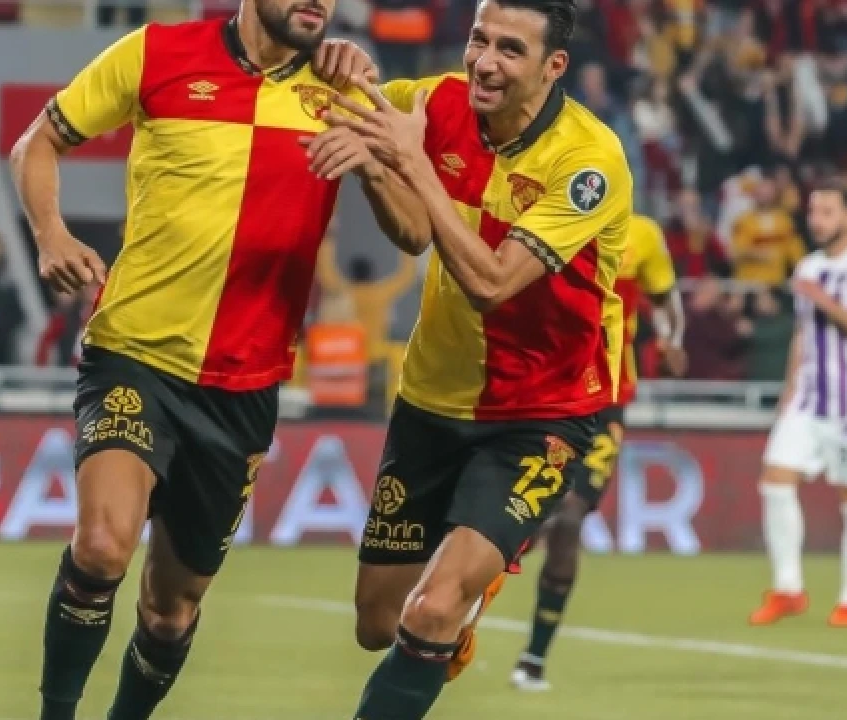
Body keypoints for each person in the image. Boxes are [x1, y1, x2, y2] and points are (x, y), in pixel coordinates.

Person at [7, 3, 378, 718]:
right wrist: (50, 234)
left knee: (169, 611)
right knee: (102, 548)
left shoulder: (342, 89)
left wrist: (374, 143)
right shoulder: (155, 53)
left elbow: (413, 231)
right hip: (135, 354)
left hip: (243, 387)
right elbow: (37, 143)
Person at [304, 0, 632, 715]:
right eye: (479, 40)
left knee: (431, 611)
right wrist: (353, 98)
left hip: (541, 413)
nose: (484, 62)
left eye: (510, 49)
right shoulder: (432, 102)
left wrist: (407, 159)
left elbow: (490, 284)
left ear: (554, 66)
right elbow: (414, 232)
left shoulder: (589, 161)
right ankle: (460, 607)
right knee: (378, 624)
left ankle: (467, 589)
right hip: (431, 398)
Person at [510, 212, 686, 692]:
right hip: (546, 397)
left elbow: (666, 298)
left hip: (606, 405)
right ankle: (451, 626)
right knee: (521, 523)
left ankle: (533, 658)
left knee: (569, 518)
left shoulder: (642, 234)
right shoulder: (546, 218)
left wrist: (671, 339)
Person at [750, 179, 847, 629]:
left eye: (828, 212)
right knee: (775, 480)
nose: (817, 220)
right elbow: (803, 334)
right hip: (808, 400)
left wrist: (823, 300)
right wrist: (788, 392)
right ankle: (788, 589)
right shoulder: (808, 266)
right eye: (814, 211)